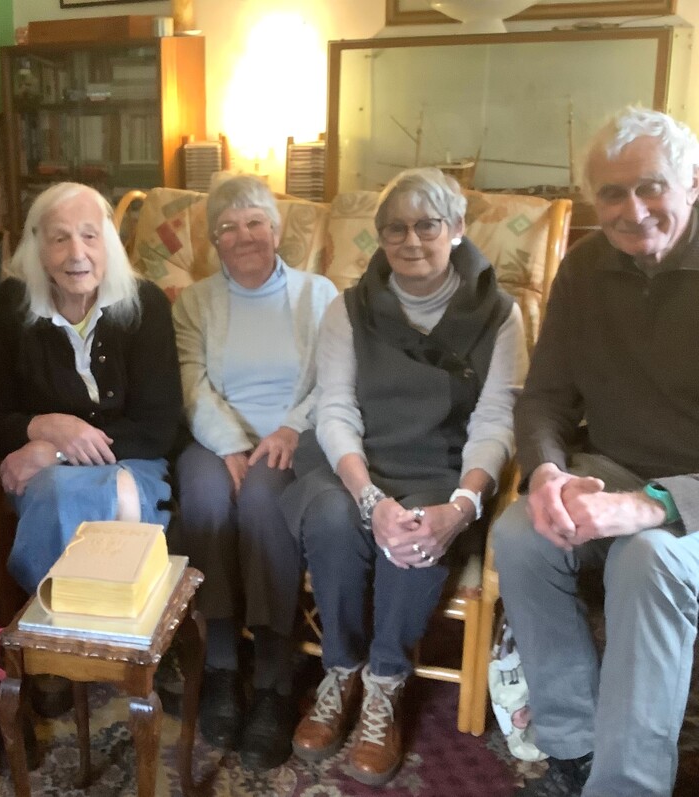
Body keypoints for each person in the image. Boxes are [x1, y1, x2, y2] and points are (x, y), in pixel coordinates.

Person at [282, 167, 526, 786]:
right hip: (351, 464)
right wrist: (367, 496)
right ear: (380, 237)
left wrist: (465, 505)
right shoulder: (349, 308)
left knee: (418, 536)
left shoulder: (500, 314)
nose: (411, 240)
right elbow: (334, 409)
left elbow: (497, 421)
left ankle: (384, 683)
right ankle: (340, 671)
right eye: (396, 228)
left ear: (458, 229)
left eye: (427, 225)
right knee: (335, 520)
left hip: (442, 472)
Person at [493, 107, 699, 797]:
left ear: (692, 181)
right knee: (522, 534)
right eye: (612, 193)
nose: (632, 209)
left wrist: (649, 506)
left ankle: (628, 786)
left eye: (651, 186)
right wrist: (549, 470)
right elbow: (546, 396)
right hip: (614, 469)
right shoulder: (583, 270)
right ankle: (574, 747)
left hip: (691, 497)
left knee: (648, 559)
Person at [0, 182, 181, 709]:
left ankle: (107, 643)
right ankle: (64, 644)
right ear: (36, 247)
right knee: (60, 497)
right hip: (45, 475)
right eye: (59, 239)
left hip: (130, 457)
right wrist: (45, 425)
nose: (77, 253)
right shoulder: (9, 308)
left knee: (123, 494)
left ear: (109, 241)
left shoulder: (145, 304)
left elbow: (158, 425)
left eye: (90, 235)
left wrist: (58, 448)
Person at [170, 175, 336, 769]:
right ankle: (219, 663)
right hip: (214, 441)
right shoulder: (194, 302)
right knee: (205, 499)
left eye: (256, 222)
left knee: (265, 503)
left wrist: (290, 429)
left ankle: (272, 677)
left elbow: (333, 383)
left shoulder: (320, 296)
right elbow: (190, 383)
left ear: (278, 229)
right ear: (214, 239)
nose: (244, 236)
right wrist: (231, 444)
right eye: (229, 226)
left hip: (294, 440)